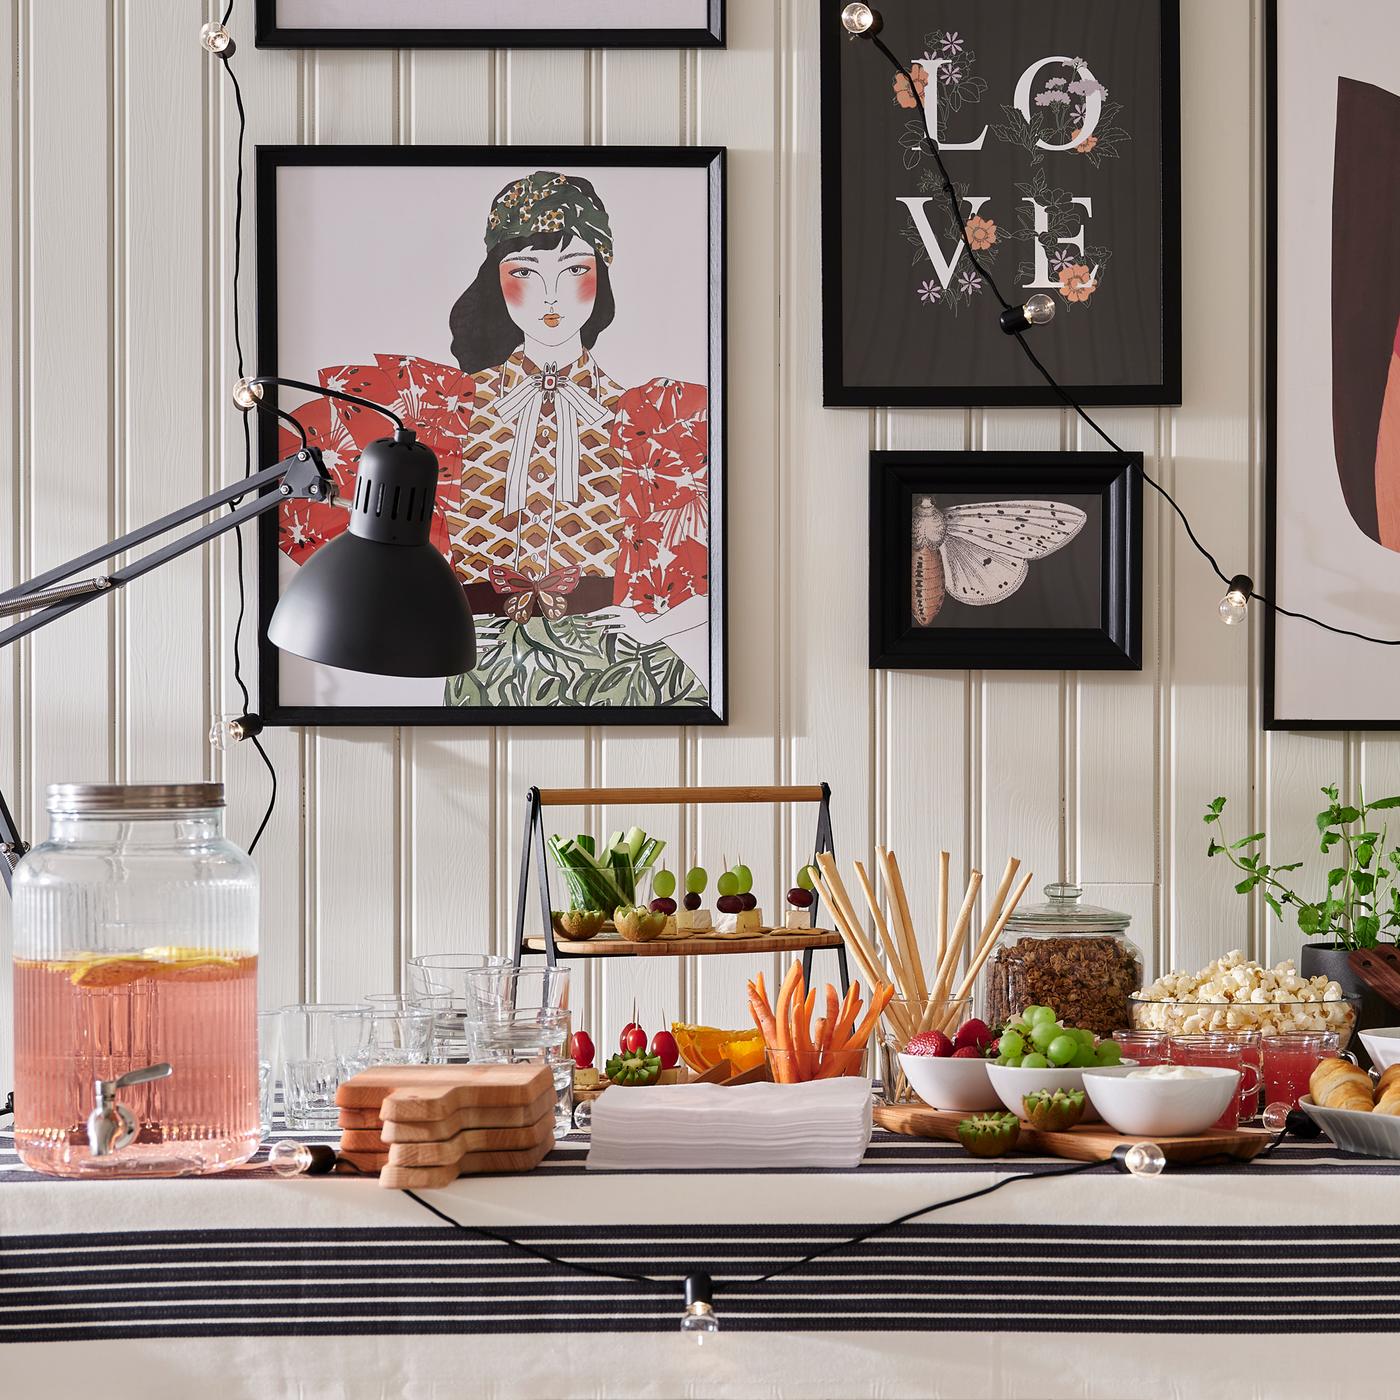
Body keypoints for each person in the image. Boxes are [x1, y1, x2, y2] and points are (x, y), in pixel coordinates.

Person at [442, 170, 711, 710]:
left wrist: (660, 623)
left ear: (600, 277)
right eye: (525, 272)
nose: (550, 295)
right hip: (484, 661)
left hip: (623, 663)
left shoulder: (655, 416)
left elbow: (726, 544)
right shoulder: (449, 409)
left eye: (573, 272)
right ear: (496, 280)